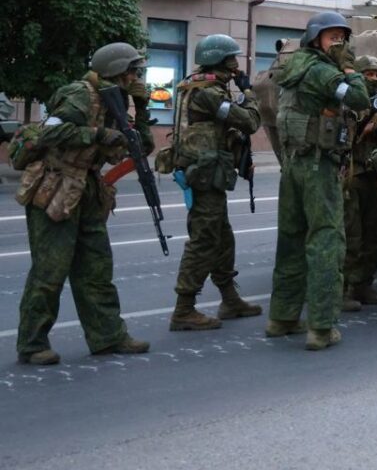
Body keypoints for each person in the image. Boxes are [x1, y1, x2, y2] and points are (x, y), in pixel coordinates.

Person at [16, 42, 153, 365]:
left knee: (96, 268)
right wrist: (96, 135)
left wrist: (142, 107)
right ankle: (33, 343)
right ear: (117, 72)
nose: (137, 76)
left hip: (88, 188)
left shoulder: (116, 101)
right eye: (133, 71)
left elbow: (141, 146)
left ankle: (108, 336)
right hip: (56, 186)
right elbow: (51, 133)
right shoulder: (79, 94)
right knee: (50, 270)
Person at [268, 12, 370, 351]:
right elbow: (359, 99)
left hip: (293, 164)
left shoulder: (294, 66)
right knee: (326, 240)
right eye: (332, 38)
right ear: (315, 39)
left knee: (292, 240)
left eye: (343, 38)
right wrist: (352, 70)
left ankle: (282, 317)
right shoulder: (323, 72)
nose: (339, 43)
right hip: (317, 166)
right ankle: (322, 328)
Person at [168, 35, 263, 332]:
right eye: (232, 59)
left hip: (209, 174)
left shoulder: (198, 84)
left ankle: (229, 298)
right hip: (205, 176)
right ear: (219, 61)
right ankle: (184, 309)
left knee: (222, 237)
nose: (236, 65)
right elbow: (248, 121)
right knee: (205, 239)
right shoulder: (208, 92)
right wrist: (248, 93)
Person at [342, 54, 377, 310]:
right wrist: (364, 128)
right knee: (352, 236)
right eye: (368, 74)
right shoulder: (349, 101)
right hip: (351, 176)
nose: (373, 79)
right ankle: (343, 290)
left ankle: (363, 284)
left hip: (372, 174)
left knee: (376, 233)